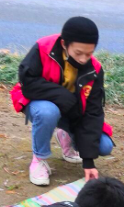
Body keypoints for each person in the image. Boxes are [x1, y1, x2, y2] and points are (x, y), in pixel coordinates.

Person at [11, 16, 114, 187]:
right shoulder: (43, 48)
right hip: (39, 103)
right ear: (64, 44)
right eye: (78, 53)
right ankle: (39, 159)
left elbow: (93, 112)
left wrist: (88, 162)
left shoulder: (94, 69)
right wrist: (63, 95)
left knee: (104, 146)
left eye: (89, 53)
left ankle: (65, 134)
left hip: (72, 111)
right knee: (48, 111)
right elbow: (28, 83)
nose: (83, 59)